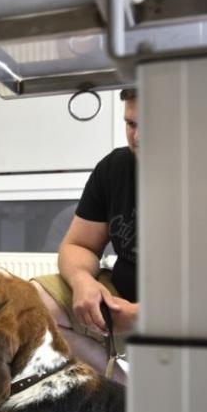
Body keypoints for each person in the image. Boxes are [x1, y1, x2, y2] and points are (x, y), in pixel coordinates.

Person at [31, 88, 139, 383]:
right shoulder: (114, 168)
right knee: (33, 306)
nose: (138, 138)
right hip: (120, 302)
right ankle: (126, 392)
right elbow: (79, 245)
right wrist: (82, 281)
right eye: (132, 124)